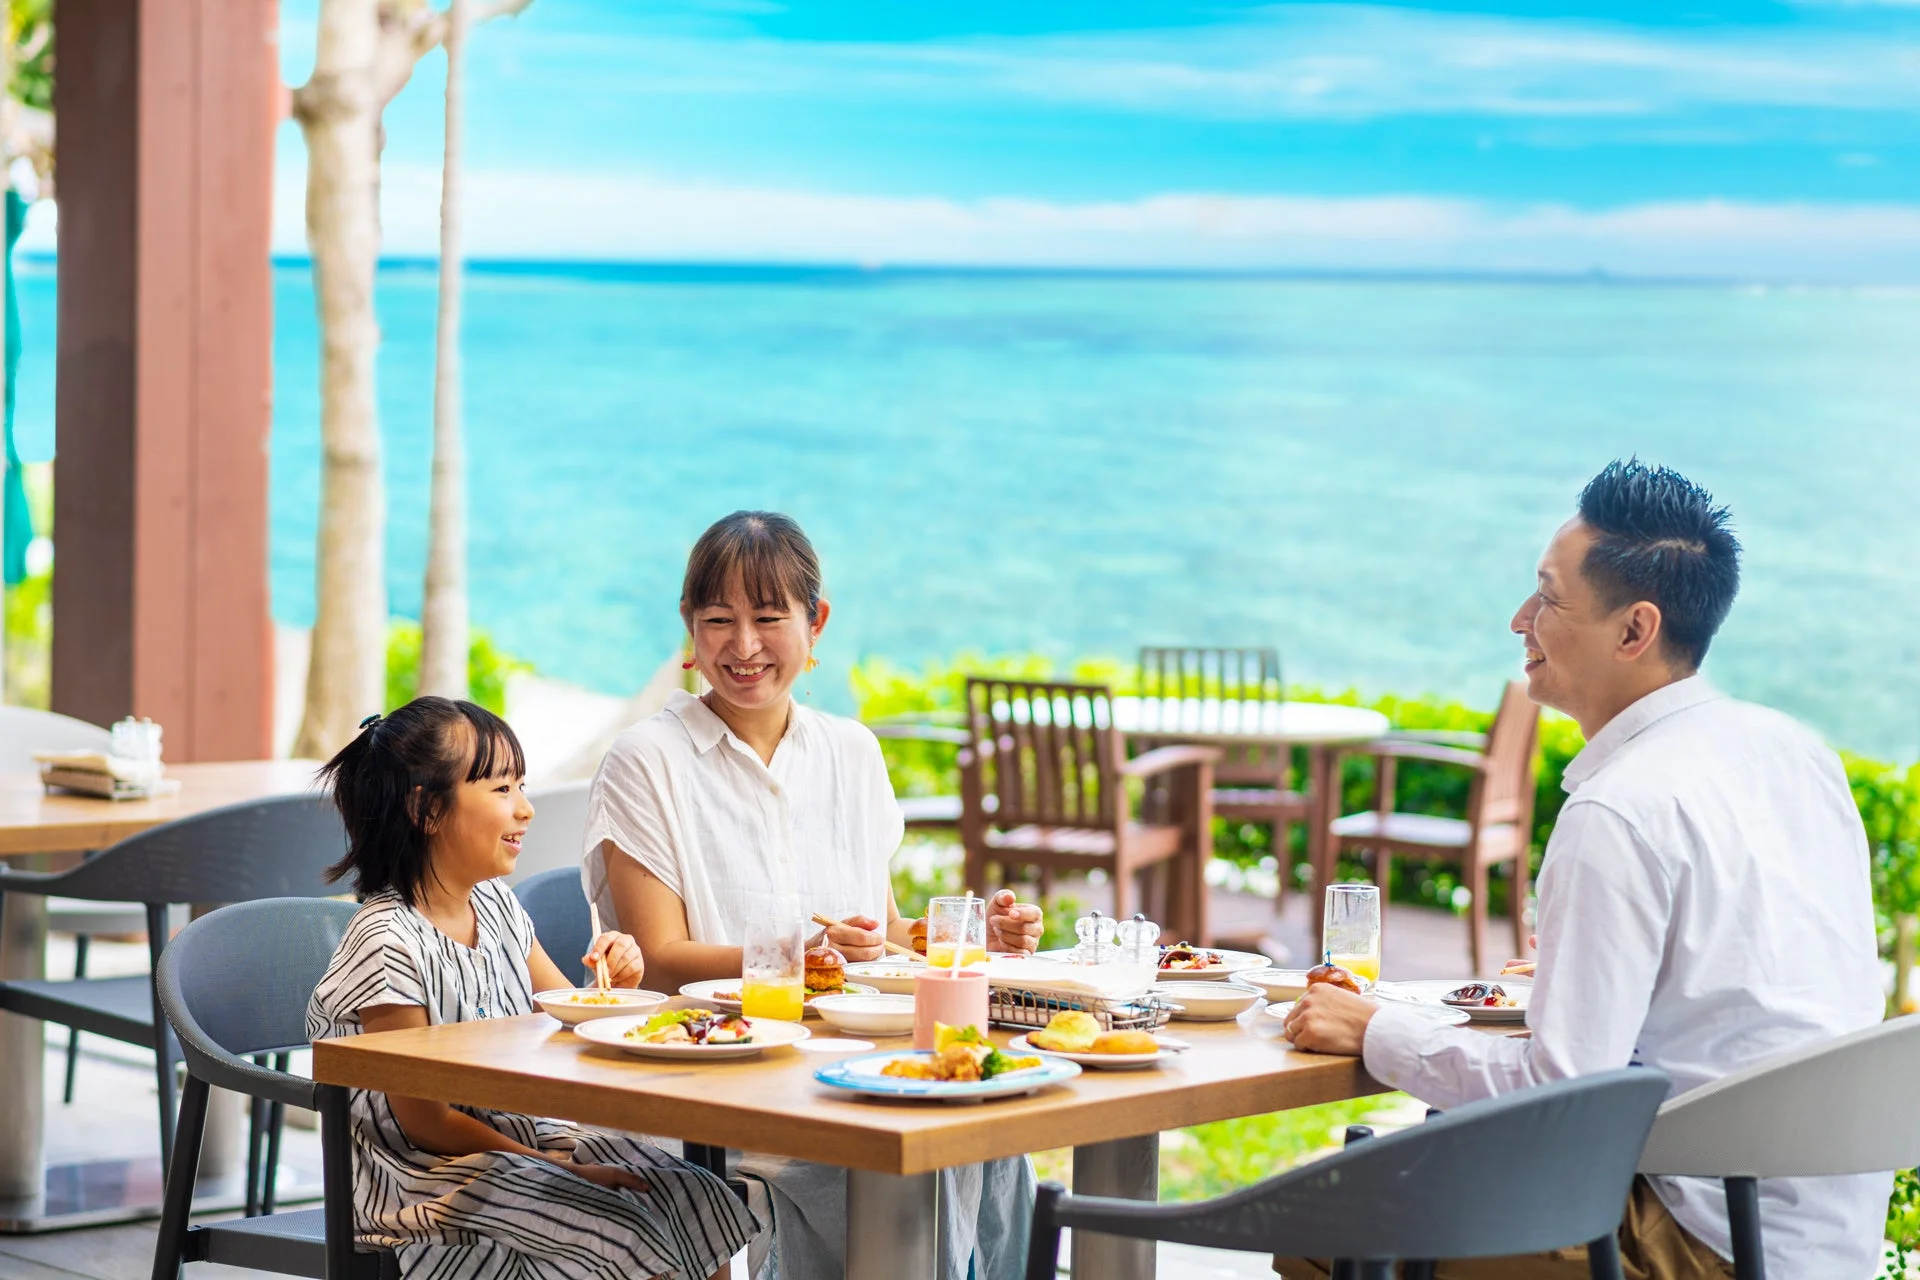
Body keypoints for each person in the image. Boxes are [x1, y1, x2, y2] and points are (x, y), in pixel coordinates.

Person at [1280, 460, 1889, 1279]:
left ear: (1634, 631)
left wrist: (1376, 1031)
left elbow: (1559, 1094)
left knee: (1322, 1227)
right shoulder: (1796, 752)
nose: (1518, 620)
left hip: (1699, 1237)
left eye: (1548, 599)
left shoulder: (1620, 809)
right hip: (1824, 1238)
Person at [583, 510, 1045, 1280]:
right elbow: (659, 962)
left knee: (993, 1142)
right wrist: (792, 959)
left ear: (815, 622)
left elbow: (886, 933)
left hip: (858, 1070)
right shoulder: (646, 760)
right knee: (904, 1159)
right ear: (689, 633)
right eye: (718, 621)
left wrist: (970, 946)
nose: (744, 646)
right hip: (720, 1089)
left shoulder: (851, 751)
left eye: (769, 618)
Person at [307, 697, 758, 1280]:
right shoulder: (387, 939)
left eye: (522, 787)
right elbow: (424, 1123)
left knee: (694, 1197)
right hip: (422, 1182)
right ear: (426, 809)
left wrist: (616, 983)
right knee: (623, 1231)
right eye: (501, 790)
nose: (526, 810)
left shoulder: (496, 906)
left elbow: (563, 1022)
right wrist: (561, 1169)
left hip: (515, 1139)